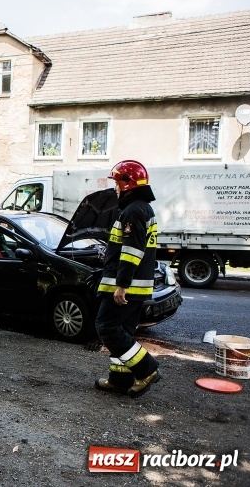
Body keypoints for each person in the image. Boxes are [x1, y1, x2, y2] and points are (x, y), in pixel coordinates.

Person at [94, 160, 160, 398]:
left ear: (128, 183)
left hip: (126, 286)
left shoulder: (133, 211)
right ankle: (119, 380)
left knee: (106, 326)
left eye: (117, 182)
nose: (115, 187)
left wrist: (122, 284)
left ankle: (148, 369)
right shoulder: (142, 208)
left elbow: (132, 250)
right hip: (137, 285)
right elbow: (135, 246)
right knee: (122, 331)